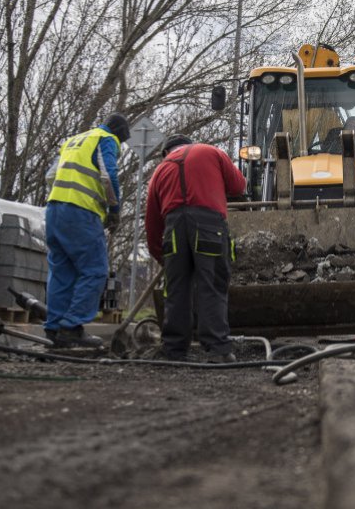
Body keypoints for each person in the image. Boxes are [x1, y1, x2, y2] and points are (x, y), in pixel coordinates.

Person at [145, 134, 246, 362]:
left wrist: (163, 257)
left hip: (173, 229)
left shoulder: (160, 171)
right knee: (211, 284)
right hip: (208, 224)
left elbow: (152, 224)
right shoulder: (209, 152)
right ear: (189, 144)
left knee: (176, 289)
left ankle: (174, 350)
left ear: (166, 152)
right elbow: (238, 186)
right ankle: (217, 349)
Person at [43, 113, 129, 347]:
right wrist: (113, 209)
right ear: (119, 135)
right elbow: (108, 175)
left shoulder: (73, 140)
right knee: (95, 270)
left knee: (62, 272)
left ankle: (54, 329)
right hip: (81, 212)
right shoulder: (106, 139)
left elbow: (50, 176)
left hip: (54, 210)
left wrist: (61, 199)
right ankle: (71, 326)